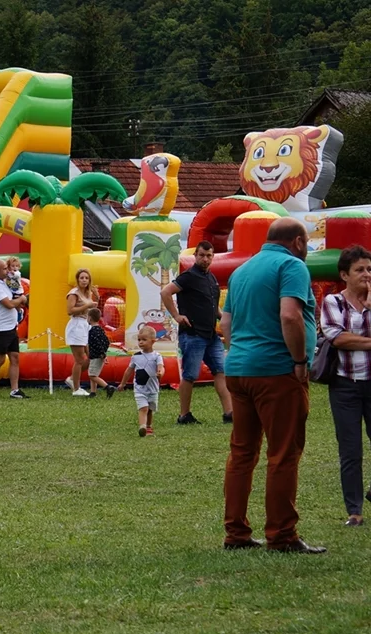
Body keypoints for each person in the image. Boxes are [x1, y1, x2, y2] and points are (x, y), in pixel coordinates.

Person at [220, 217, 323, 553]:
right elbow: (290, 315)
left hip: (239, 370)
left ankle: (236, 534)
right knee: (283, 454)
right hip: (277, 371)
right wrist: (298, 361)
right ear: (297, 242)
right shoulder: (292, 266)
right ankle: (282, 536)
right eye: (306, 243)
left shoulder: (241, 272)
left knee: (242, 453)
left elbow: (226, 323)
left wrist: (241, 355)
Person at [320, 245, 371, 527]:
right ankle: (355, 511)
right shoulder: (333, 302)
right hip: (345, 385)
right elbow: (338, 338)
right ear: (344, 274)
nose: (366, 274)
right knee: (350, 450)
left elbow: (349, 338)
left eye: (369, 269)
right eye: (359, 270)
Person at [161, 241, 233, 425]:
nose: (205, 259)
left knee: (220, 371)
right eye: (201, 255)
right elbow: (166, 292)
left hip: (211, 335)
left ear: (213, 256)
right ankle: (184, 415)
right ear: (195, 255)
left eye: (209, 255)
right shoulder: (188, 276)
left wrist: (225, 317)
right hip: (193, 335)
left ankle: (229, 413)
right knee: (190, 376)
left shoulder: (211, 279)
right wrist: (176, 316)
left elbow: (214, 307)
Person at [0, 259, 28, 399]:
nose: (7, 271)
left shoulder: (5, 282)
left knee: (15, 358)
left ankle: (14, 390)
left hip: (11, 326)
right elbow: (8, 304)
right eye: (4, 269)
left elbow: (15, 294)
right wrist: (22, 300)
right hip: (1, 328)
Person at [118, 326, 164, 437]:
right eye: (139, 340)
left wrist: (160, 372)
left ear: (153, 341)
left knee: (150, 409)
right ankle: (142, 427)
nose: (141, 342)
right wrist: (123, 383)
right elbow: (129, 371)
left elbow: (161, 367)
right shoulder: (136, 356)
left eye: (144, 340)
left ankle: (148, 427)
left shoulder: (157, 356)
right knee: (143, 408)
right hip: (139, 388)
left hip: (153, 389)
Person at [65, 268, 99, 397]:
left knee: (90, 357)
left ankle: (73, 379)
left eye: (86, 278)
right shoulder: (74, 293)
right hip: (77, 324)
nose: (84, 280)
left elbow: (92, 308)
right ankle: (76, 388)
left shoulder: (87, 293)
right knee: (79, 359)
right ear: (78, 280)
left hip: (85, 324)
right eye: (82, 278)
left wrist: (95, 298)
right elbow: (70, 310)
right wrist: (87, 306)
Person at [86, 308, 115, 398]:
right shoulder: (100, 330)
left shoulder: (92, 331)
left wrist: (101, 353)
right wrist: (104, 352)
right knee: (94, 374)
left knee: (92, 375)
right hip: (98, 355)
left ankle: (107, 387)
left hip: (96, 356)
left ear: (90, 318)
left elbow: (97, 344)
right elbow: (107, 342)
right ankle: (93, 392)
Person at [5, 256, 26, 324]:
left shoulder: (17, 273)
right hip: (11, 292)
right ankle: (15, 315)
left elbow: (16, 275)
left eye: (17, 266)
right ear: (9, 266)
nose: (15, 268)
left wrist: (12, 272)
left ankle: (20, 312)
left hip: (18, 292)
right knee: (11, 305)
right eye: (13, 266)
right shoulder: (7, 273)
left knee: (16, 304)